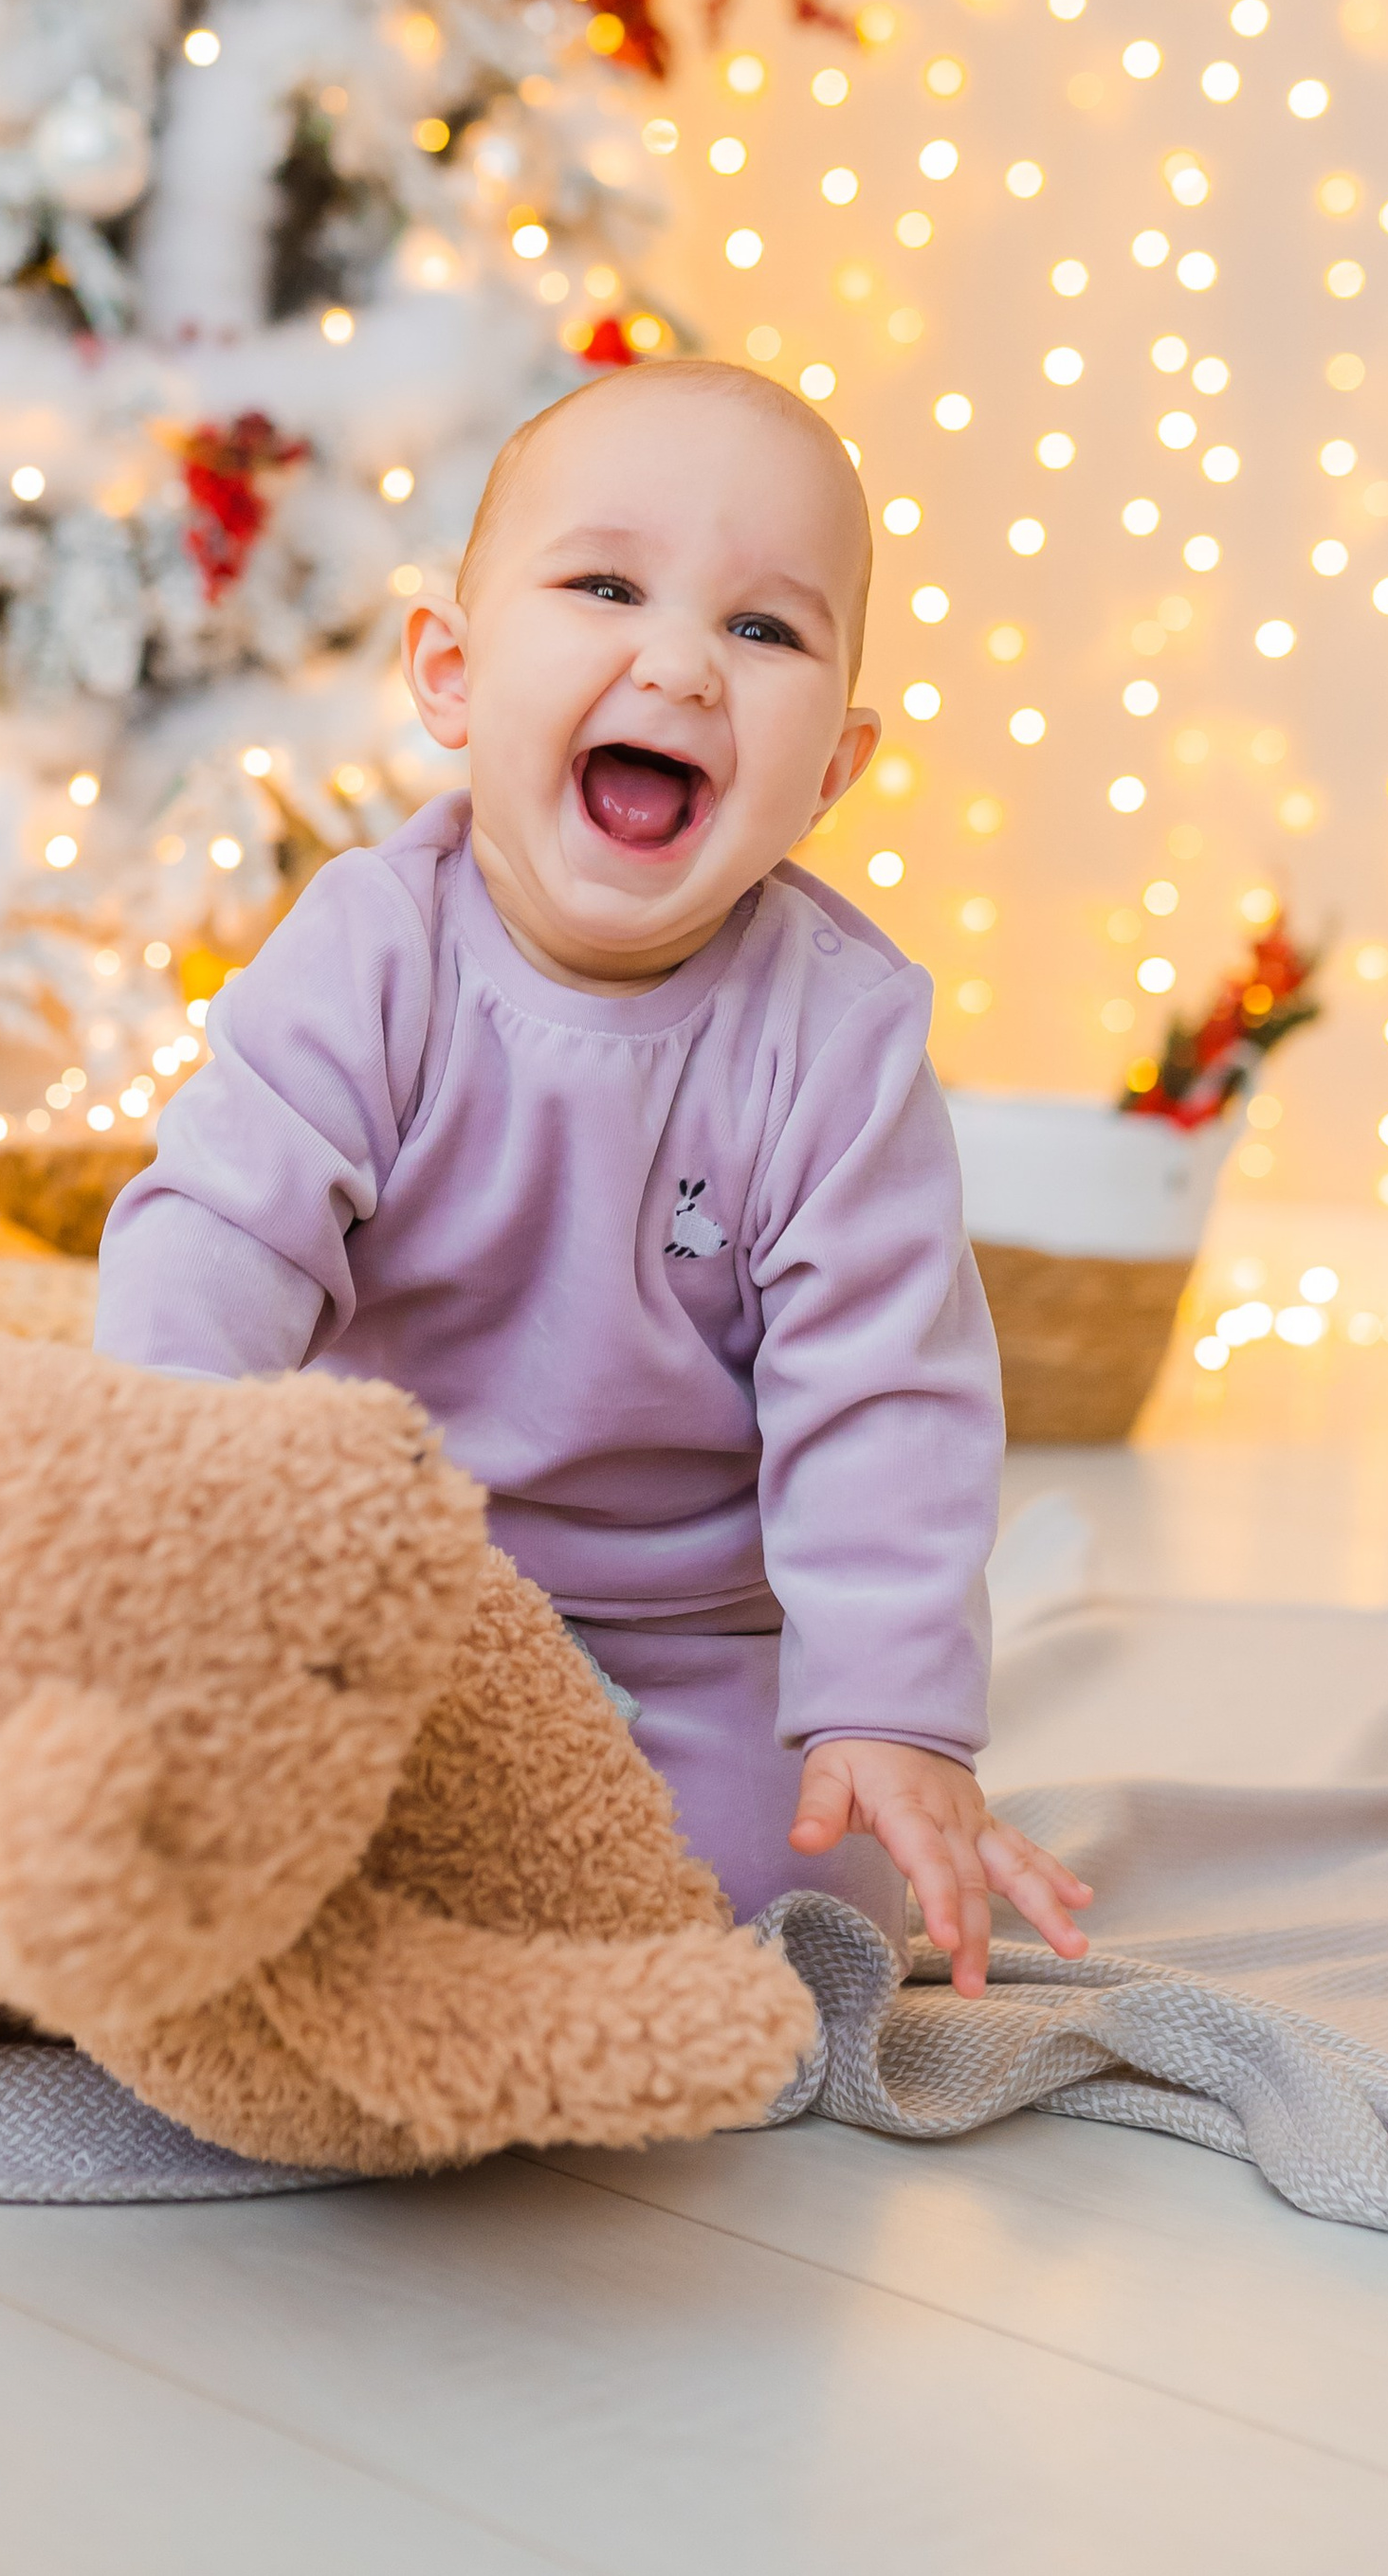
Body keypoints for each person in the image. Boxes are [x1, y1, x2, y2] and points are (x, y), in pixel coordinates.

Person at [98, 355, 1091, 1990]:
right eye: (608, 585)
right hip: (390, 1575)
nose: (685, 664)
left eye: (764, 629)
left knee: (818, 1897)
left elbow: (886, 1397)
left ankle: (540, 1941)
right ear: (453, 675)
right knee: (207, 1778)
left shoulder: (836, 1040)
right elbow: (221, 1228)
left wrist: (892, 1716)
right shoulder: (374, 949)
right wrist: (155, 1493)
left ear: (831, 772)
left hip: (689, 1636)